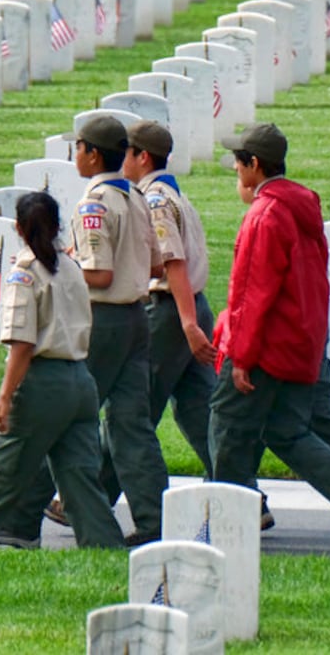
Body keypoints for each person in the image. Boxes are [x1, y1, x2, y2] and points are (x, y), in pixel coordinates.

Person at [210, 123, 330, 547]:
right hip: (302, 343)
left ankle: (228, 523)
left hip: (267, 347)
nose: (235, 171)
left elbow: (253, 293)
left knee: (228, 428)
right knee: (286, 432)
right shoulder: (302, 209)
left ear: (254, 166)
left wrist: (240, 356)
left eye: (239, 163)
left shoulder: (264, 215)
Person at [0, 115, 167, 550]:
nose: (75, 155)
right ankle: (153, 520)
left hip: (105, 322)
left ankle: (19, 523)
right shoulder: (136, 198)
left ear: (93, 153)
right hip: (138, 318)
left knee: (55, 416)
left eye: (78, 147)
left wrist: (68, 265)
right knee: (133, 427)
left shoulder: (93, 205)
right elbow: (153, 265)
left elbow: (100, 273)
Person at [0, 193, 125, 550]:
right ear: (58, 226)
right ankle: (107, 550)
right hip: (80, 381)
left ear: (18, 228)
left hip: (42, 384)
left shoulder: (25, 274)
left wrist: (4, 398)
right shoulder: (73, 267)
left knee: (3, 474)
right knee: (80, 480)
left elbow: (23, 343)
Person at [126, 121, 215, 479]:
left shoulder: (155, 201)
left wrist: (188, 323)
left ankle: (91, 496)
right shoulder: (173, 193)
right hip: (191, 305)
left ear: (142, 157)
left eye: (126, 154)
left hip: (171, 313)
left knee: (135, 410)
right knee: (198, 411)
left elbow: (172, 261)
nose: (121, 162)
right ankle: (245, 497)